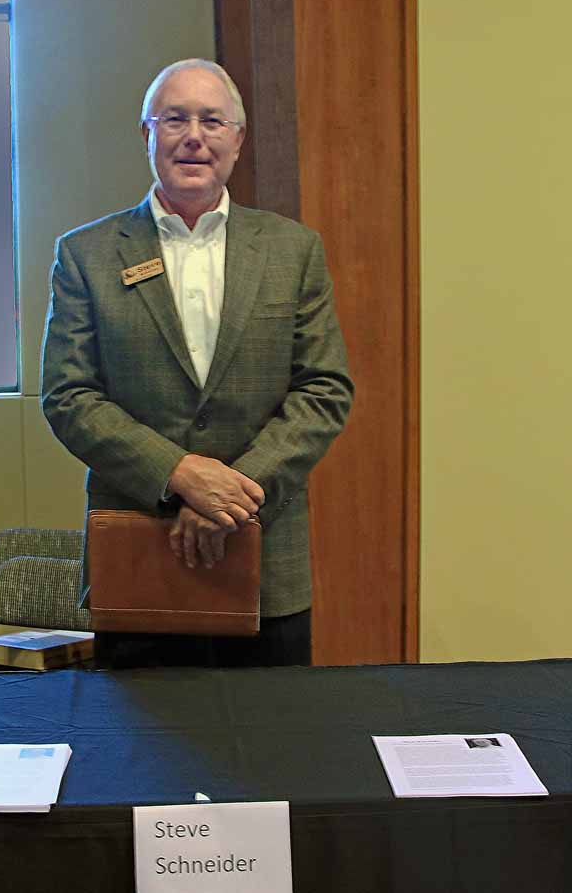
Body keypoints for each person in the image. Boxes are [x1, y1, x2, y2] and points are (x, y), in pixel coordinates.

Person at [41, 58, 353, 668]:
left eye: (212, 121)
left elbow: (324, 389)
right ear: (147, 133)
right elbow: (69, 395)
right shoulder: (85, 255)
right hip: (139, 555)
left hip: (266, 562)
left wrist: (232, 495)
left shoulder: (293, 250)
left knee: (273, 728)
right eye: (174, 119)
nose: (193, 136)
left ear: (238, 138)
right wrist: (180, 474)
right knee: (138, 730)